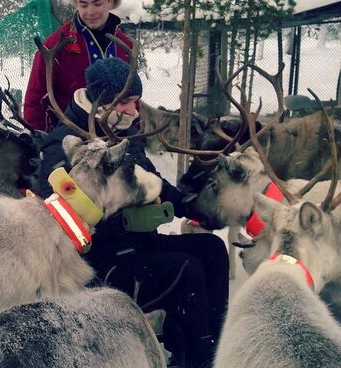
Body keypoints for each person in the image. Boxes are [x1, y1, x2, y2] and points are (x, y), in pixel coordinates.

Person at [37, 57, 229, 368]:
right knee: (186, 268)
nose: (134, 111)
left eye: (136, 102)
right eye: (126, 102)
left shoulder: (122, 131)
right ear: (101, 101)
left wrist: (188, 205)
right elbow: (60, 214)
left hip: (137, 246)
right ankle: (199, 359)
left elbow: (150, 179)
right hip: (98, 263)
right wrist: (127, 217)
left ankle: (213, 347)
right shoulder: (62, 144)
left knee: (212, 250)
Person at [24, 0, 133, 132]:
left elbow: (132, 95)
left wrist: (136, 130)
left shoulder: (125, 45)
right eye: (83, 4)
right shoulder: (55, 45)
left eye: (97, 4)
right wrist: (36, 136)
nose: (90, 12)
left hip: (118, 135)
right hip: (69, 138)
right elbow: (36, 97)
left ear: (111, 3)